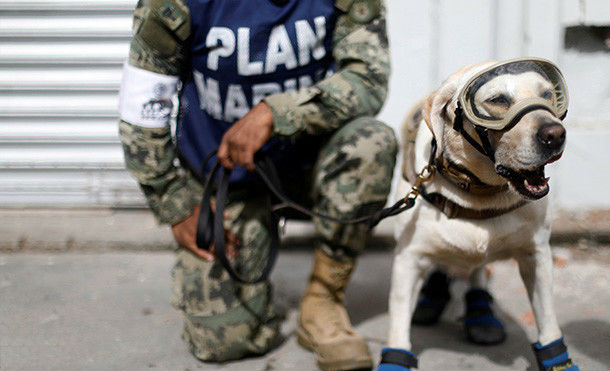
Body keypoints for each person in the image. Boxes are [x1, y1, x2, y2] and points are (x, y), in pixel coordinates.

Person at [118, 0, 396, 370]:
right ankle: (254, 252)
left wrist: (276, 113)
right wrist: (174, 201)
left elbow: (367, 80)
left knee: (371, 143)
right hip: (223, 175)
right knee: (224, 342)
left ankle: (323, 299)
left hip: (308, 163)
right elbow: (144, 103)